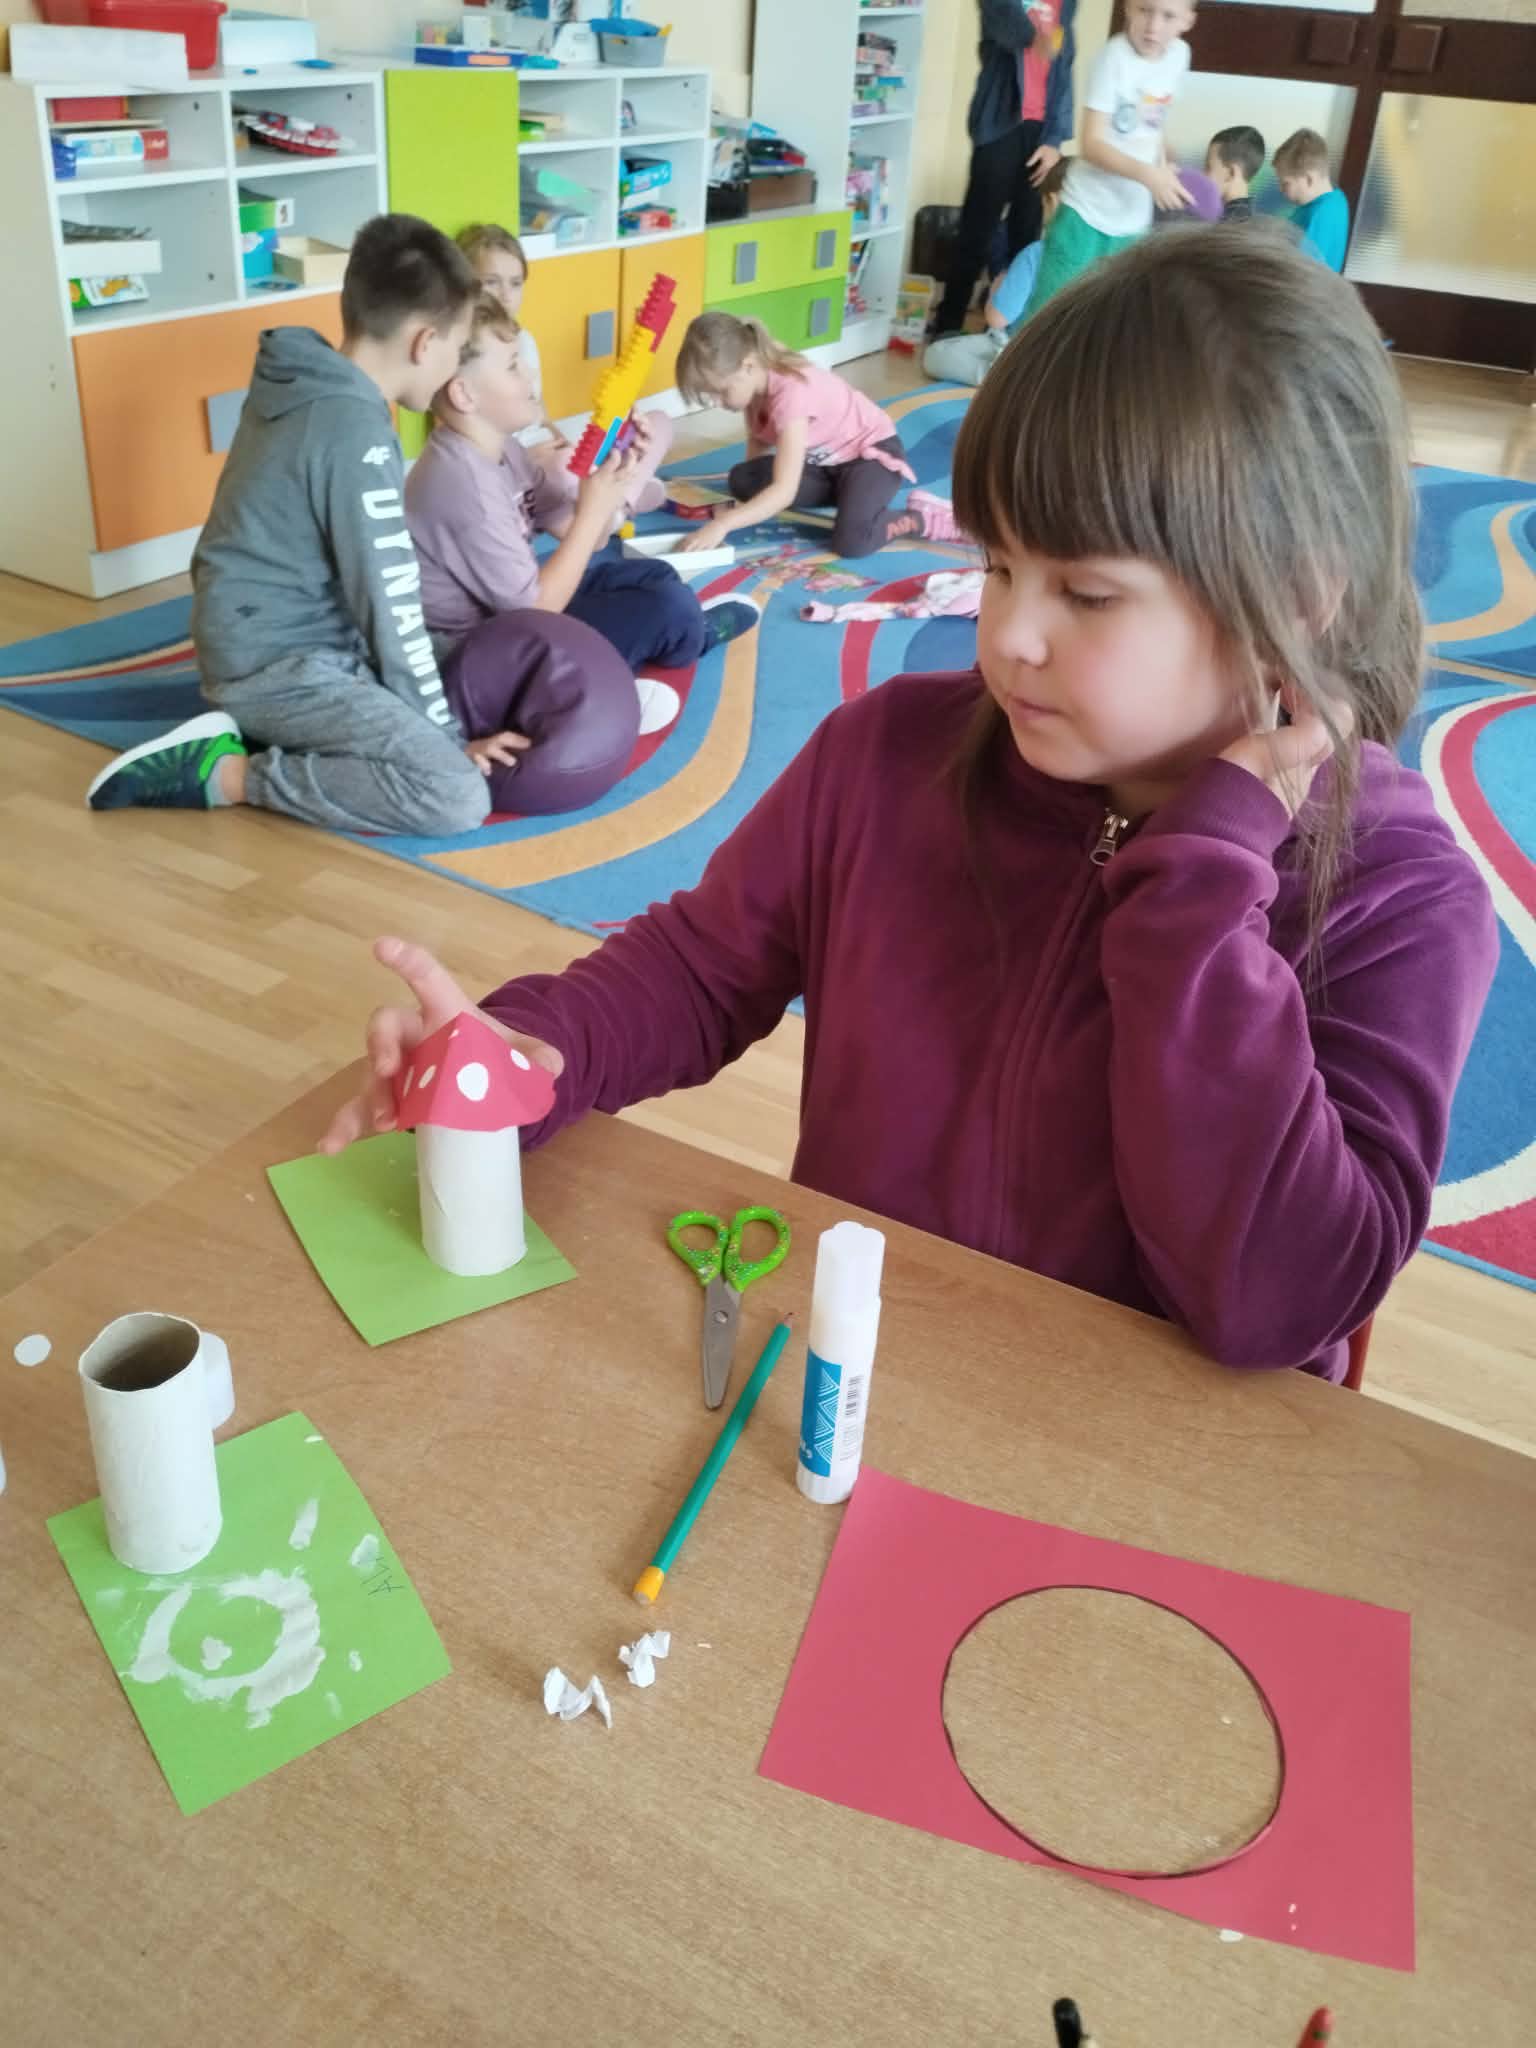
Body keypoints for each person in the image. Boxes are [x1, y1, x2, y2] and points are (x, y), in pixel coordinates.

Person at [320, 225, 1498, 1383]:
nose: (1010, 634)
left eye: (1088, 594)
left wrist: (1198, 889)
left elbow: (1280, 1296)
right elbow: (701, 966)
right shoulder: (886, 754)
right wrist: (542, 1047)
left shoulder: (1398, 892)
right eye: (999, 566)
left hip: (1140, 1465)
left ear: (1297, 597)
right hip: (860, 1377)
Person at [87, 213, 500, 837]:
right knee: (455, 795)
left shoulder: (310, 380)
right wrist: (445, 738)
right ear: (423, 342)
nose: (454, 369)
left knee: (477, 652)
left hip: (286, 641)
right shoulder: (355, 432)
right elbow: (388, 604)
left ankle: (313, 733)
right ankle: (224, 775)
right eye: (457, 348)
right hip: (276, 668)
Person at [405, 293, 759, 734]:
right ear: (464, 394)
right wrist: (593, 511)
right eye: (513, 365)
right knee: (667, 608)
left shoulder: (502, 451)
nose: (530, 373)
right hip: (480, 664)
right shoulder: (463, 484)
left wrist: (619, 469)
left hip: (512, 621)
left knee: (655, 576)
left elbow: (586, 537)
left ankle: (660, 645)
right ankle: (637, 671)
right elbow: (537, 610)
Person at [673, 312, 965, 558]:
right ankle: (851, 499)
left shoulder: (790, 396)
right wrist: (753, 496)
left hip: (871, 458)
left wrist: (724, 524)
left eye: (720, 392)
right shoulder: (755, 381)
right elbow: (759, 442)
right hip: (826, 467)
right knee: (743, 478)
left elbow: (784, 491)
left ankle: (920, 519)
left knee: (852, 542)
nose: (717, 402)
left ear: (747, 366)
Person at [457, 219, 670, 517]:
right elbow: (462, 443)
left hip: (548, 450)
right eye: (491, 282)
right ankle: (615, 502)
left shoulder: (525, 340)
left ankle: (614, 499)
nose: (505, 294)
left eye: (515, 283)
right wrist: (528, 456)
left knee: (658, 422)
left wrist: (565, 442)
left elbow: (540, 411)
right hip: (518, 465)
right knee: (564, 470)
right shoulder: (463, 351)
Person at [1023, 0, 1195, 319]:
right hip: (1085, 214)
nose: (1153, 26)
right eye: (1145, 10)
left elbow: (1153, 122)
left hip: (1132, 223)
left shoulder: (1179, 56)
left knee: (1111, 321)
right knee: (1050, 316)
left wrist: (1163, 160)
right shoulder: (1113, 58)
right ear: (1128, 8)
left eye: (1168, 16)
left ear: (1187, 20)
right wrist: (1148, 175)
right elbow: (1092, 144)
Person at [930, 0, 1079, 338]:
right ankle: (946, 328)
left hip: (1041, 136)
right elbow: (1006, 25)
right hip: (1000, 127)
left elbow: (1064, 69)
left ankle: (1006, 332)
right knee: (976, 232)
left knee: (1026, 236)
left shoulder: (1066, 4)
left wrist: (1055, 139)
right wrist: (1038, 38)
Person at [925, 158, 1068, 386]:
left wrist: (995, 291)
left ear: (1051, 201)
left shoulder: (1036, 254)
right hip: (1071, 361)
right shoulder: (1109, 259)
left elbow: (998, 318)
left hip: (1019, 351)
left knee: (936, 354)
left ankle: (1002, 378)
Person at [1274, 128, 1350, 271]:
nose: (1280, 189)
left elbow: (1300, 272)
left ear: (1309, 179)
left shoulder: (1319, 215)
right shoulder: (1337, 198)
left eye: (1285, 183)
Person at [1205, 124, 1265, 221]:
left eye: (1208, 167)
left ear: (1230, 173)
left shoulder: (1226, 226)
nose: (1203, 175)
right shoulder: (1251, 219)